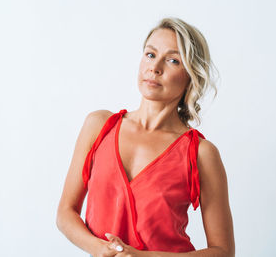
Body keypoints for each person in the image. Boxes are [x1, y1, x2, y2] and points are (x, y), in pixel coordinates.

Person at [56, 17, 235, 257]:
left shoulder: (201, 153)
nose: (155, 67)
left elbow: (223, 252)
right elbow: (65, 212)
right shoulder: (99, 126)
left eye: (173, 60)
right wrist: (101, 249)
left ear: (191, 76)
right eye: (150, 54)